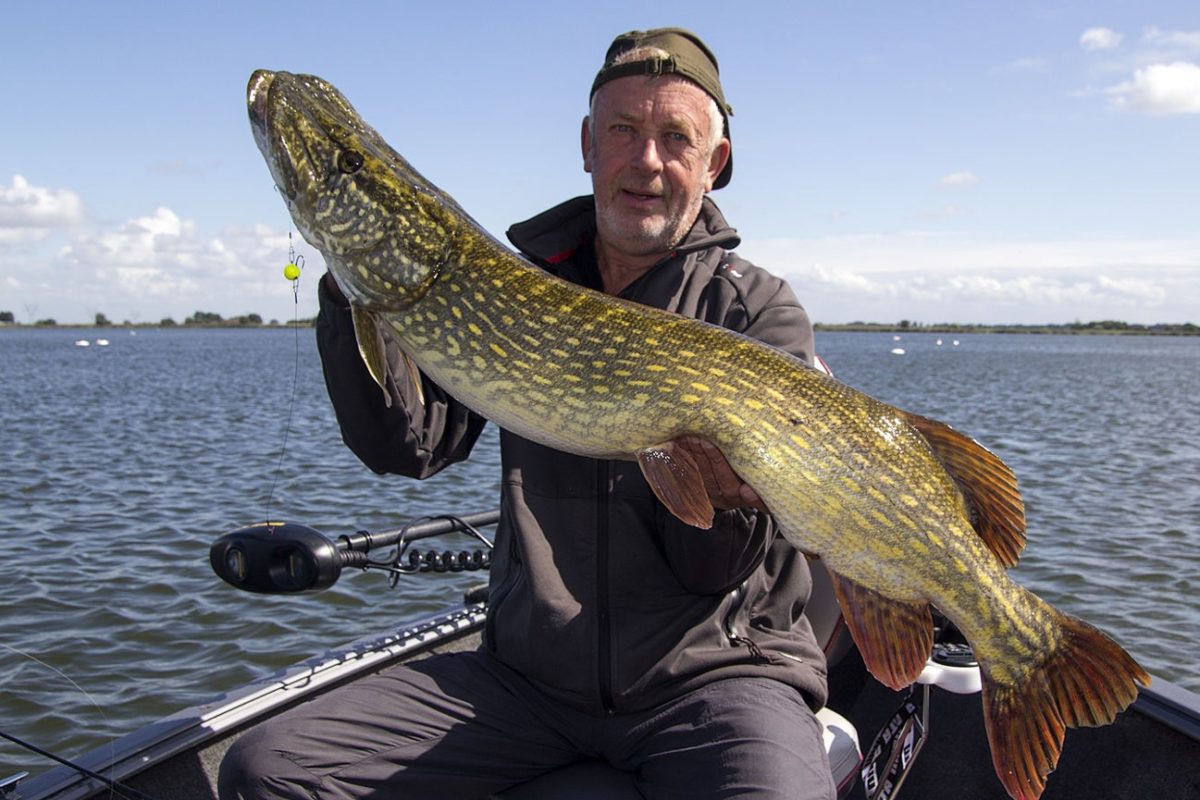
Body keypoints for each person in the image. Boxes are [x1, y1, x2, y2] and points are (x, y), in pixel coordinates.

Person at [220, 27, 834, 800]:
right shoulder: (512, 287)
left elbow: (712, 569)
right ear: (587, 144)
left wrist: (718, 497)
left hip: (716, 678)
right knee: (267, 771)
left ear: (714, 165)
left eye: (675, 138)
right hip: (526, 681)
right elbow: (410, 448)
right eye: (623, 131)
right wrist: (353, 288)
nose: (646, 160)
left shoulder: (756, 312)